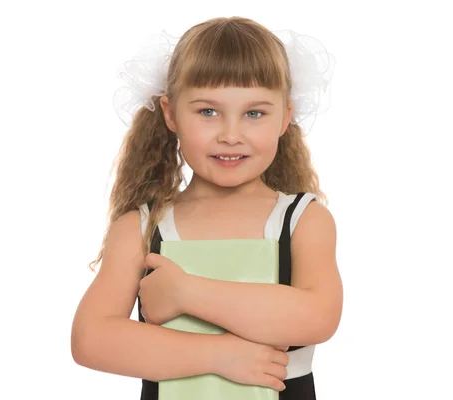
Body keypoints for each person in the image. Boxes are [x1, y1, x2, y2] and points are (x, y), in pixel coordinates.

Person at [71, 16, 343, 400]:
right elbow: (91, 338)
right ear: (170, 113)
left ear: (285, 116)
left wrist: (187, 293)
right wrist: (219, 355)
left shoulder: (303, 220)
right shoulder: (143, 227)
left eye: (254, 113)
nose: (231, 135)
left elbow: (317, 316)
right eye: (208, 112)